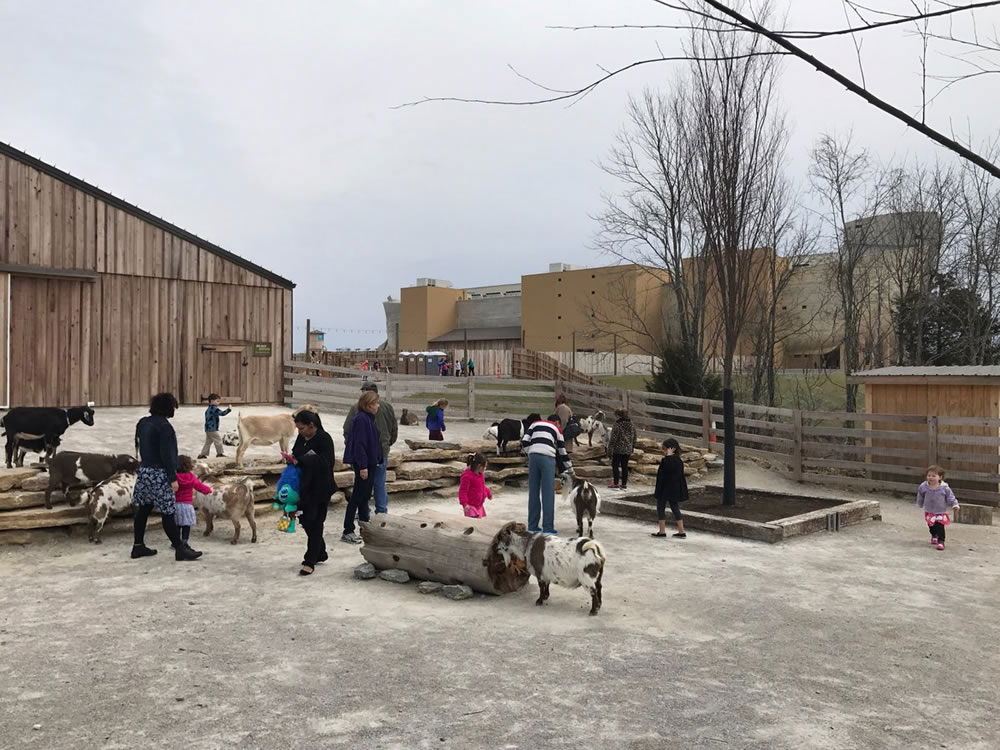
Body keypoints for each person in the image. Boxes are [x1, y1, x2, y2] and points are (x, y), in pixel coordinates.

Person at [131, 392, 202, 561]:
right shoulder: (165, 427)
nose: (174, 411)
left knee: (143, 510)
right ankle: (180, 548)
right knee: (167, 512)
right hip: (160, 473)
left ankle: (138, 546)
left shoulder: (143, 422)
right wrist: (172, 478)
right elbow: (168, 455)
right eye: (173, 407)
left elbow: (138, 446)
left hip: (145, 470)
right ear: (167, 408)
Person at [288, 409, 336, 575]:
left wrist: (303, 459)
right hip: (303, 486)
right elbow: (296, 453)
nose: (299, 432)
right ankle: (320, 552)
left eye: (302, 428)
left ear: (312, 425)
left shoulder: (324, 438)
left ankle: (310, 559)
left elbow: (327, 462)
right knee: (305, 521)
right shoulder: (302, 437)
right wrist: (295, 459)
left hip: (320, 487)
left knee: (315, 523)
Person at [343, 382, 398, 515]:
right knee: (379, 483)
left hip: (365, 454)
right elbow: (394, 428)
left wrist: (352, 446)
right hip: (381, 451)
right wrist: (387, 444)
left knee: (362, 484)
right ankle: (381, 511)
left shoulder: (357, 408)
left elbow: (347, 429)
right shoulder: (387, 407)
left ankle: (364, 510)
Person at [522, 414, 572, 535]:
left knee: (533, 492)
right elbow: (562, 451)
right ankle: (548, 527)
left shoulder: (535, 424)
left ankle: (532, 526)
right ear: (557, 423)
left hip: (533, 457)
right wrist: (569, 468)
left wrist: (531, 452)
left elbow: (524, 441)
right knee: (548, 493)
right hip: (548, 458)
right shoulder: (557, 429)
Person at [343, 391, 382, 544]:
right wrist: (363, 466)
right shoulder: (361, 420)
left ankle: (365, 525)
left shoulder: (368, 419)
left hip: (370, 462)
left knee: (364, 496)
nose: (378, 405)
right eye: (376, 403)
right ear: (368, 405)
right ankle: (348, 529)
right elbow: (360, 444)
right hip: (364, 464)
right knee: (358, 496)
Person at [917, 465, 960, 551]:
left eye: (934, 476)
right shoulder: (923, 486)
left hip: (940, 511)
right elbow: (920, 495)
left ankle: (941, 541)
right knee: (931, 526)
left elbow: (950, 497)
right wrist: (920, 503)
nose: (931, 478)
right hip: (929, 510)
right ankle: (934, 535)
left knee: (940, 526)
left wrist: (955, 504)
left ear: (940, 477)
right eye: (929, 476)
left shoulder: (944, 488)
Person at [653, 438, 688, 539]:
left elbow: (667, 471)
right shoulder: (677, 460)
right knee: (673, 507)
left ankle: (662, 531)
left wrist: (668, 456)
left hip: (666, 488)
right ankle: (680, 531)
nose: (664, 451)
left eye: (665, 449)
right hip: (670, 488)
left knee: (662, 507)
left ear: (671, 449)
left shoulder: (672, 460)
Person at [174, 455, 212, 547]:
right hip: (187, 505)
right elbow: (200, 486)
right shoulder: (191, 477)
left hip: (176, 505)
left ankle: (176, 542)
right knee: (186, 525)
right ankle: (184, 542)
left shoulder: (174, 477)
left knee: (177, 525)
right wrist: (209, 490)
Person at [606, 409, 636, 491]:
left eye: (615, 415)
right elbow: (635, 436)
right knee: (624, 466)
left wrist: (609, 450)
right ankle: (624, 484)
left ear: (618, 415)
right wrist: (632, 446)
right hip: (628, 449)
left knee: (615, 465)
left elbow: (613, 438)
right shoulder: (631, 424)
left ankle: (615, 483)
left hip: (618, 449)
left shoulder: (617, 424)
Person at [197, 393, 231, 459]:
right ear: (212, 401)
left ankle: (202, 454)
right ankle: (220, 453)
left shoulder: (208, 409)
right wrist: (229, 409)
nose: (219, 402)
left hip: (208, 429)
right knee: (218, 440)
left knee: (208, 442)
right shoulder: (214, 409)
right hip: (212, 428)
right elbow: (222, 413)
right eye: (217, 401)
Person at [459, 452, 492, 518]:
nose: (485, 468)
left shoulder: (480, 474)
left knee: (478, 523)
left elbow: (481, 486)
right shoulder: (467, 476)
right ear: (478, 466)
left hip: (479, 505)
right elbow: (463, 491)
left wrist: (488, 493)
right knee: (473, 524)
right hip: (470, 506)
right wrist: (464, 504)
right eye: (484, 466)